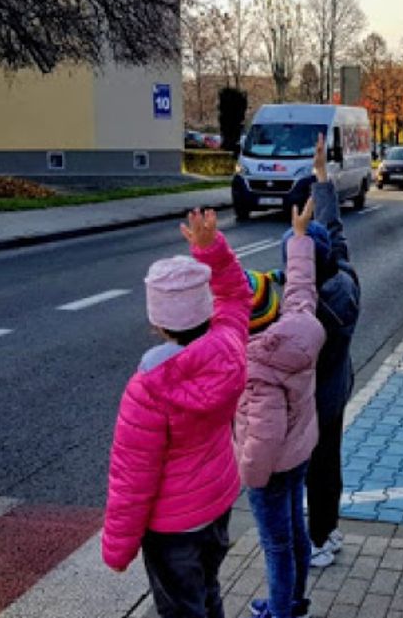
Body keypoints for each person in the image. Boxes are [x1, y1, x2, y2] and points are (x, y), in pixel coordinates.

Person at [102, 209, 251, 618]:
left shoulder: (149, 388)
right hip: (218, 504)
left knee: (183, 608)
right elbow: (237, 296)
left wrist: (118, 548)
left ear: (158, 323)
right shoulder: (229, 343)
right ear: (205, 311)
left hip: (173, 530)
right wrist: (212, 252)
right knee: (207, 592)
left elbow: (133, 476)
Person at [237, 199, 327, 618]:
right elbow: (301, 286)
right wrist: (300, 237)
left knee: (277, 543)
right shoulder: (298, 324)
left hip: (271, 468)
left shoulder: (257, 369)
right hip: (300, 452)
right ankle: (293, 600)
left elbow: (264, 436)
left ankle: (279, 612)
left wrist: (249, 477)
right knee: (296, 532)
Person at [303, 134, 361, 568]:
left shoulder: (309, 310)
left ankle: (318, 540)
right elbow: (334, 230)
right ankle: (331, 529)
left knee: (315, 470)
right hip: (338, 389)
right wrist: (321, 178)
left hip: (312, 401)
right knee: (331, 464)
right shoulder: (343, 279)